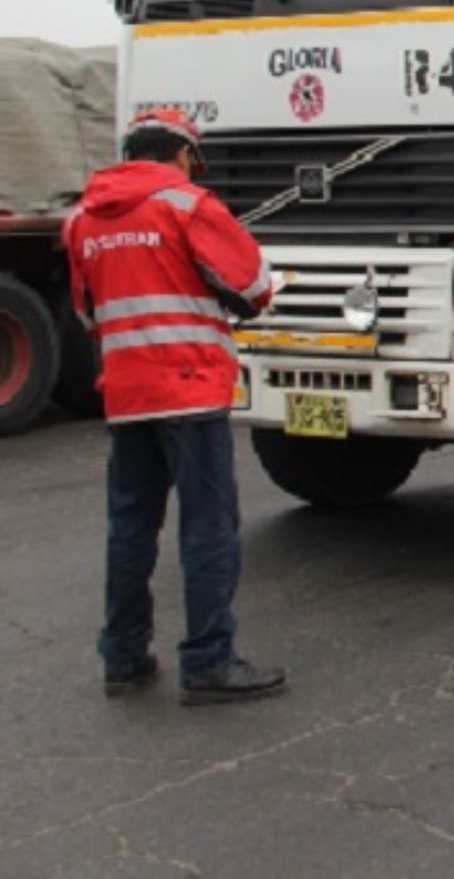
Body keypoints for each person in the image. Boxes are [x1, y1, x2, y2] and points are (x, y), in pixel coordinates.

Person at [61, 108, 287, 704]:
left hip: (127, 391)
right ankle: (209, 661)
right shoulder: (188, 205)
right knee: (207, 524)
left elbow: (86, 314)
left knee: (131, 525)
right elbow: (255, 288)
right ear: (184, 154)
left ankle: (124, 657)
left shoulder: (83, 219)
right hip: (189, 388)